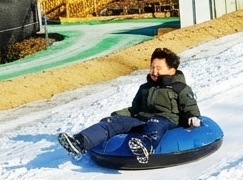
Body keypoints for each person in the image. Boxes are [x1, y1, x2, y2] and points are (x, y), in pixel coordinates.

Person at [57, 47, 201, 164]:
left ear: (171, 69)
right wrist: (117, 115)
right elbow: (135, 109)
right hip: (141, 118)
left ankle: (145, 147)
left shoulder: (180, 88)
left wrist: (192, 117)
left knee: (154, 123)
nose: (154, 72)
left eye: (158, 68)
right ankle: (80, 143)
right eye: (152, 68)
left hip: (165, 120)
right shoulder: (145, 88)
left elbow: (190, 108)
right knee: (111, 122)